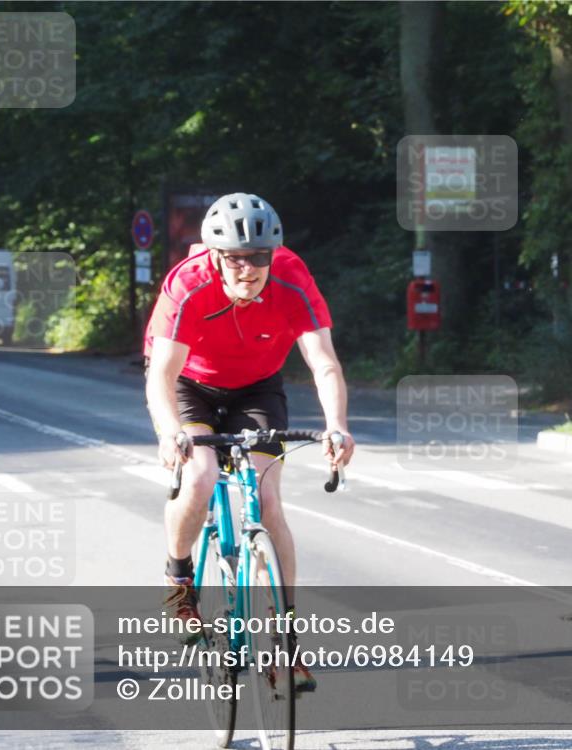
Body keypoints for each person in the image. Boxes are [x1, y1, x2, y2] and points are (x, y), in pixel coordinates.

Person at [143, 192, 355, 690]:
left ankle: (284, 639)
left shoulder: (291, 278)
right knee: (199, 477)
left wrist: (338, 424)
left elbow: (323, 362)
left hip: (258, 386)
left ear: (272, 254)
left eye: (258, 257)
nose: (248, 269)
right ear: (216, 256)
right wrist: (169, 431)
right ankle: (179, 583)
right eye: (235, 259)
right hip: (189, 385)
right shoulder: (187, 284)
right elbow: (161, 375)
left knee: (266, 499)